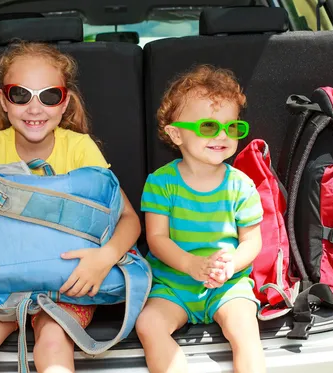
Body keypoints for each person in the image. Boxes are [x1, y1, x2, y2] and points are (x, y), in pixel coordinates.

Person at [0, 41, 141, 373]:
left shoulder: (80, 149)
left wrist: (105, 258)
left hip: (67, 286)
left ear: (64, 101)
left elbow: (128, 218)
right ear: (3, 100)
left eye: (49, 96)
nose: (35, 108)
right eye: (21, 94)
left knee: (54, 339)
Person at [135, 65, 266, 373]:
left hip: (227, 285)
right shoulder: (161, 183)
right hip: (173, 284)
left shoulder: (241, 184)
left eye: (231, 127)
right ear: (176, 133)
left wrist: (232, 263)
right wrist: (191, 265)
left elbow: (251, 240)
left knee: (246, 332)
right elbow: (156, 239)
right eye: (208, 127)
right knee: (148, 325)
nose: (222, 135)